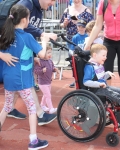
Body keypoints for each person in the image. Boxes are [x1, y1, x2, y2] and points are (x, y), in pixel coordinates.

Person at [0, 4, 50, 149]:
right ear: (24, 20)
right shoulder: (27, 36)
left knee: (7, 106)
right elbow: (43, 55)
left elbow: (18, 52)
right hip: (22, 79)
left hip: (8, 77)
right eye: (28, 18)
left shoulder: (7, 33)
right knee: (32, 108)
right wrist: (45, 40)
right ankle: (33, 141)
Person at [4, 0, 57, 124]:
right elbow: (19, 29)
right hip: (18, 60)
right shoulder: (27, 4)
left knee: (23, 84)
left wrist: (32, 56)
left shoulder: (38, 9)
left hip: (20, 59)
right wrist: (43, 35)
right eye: (52, 0)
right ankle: (38, 117)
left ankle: (12, 109)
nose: (53, 4)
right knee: (27, 84)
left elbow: (25, 36)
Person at [84, 0, 120, 90]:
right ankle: (108, 95)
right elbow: (98, 25)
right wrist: (88, 44)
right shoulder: (103, 4)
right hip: (109, 41)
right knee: (106, 70)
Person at [60, 0, 94, 88]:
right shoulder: (67, 10)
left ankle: (85, 78)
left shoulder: (87, 11)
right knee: (73, 61)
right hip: (71, 39)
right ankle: (76, 79)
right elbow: (61, 24)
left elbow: (92, 25)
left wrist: (79, 22)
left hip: (84, 38)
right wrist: (64, 23)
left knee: (84, 60)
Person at [34, 45, 57, 114]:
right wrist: (42, 70)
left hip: (48, 81)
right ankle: (51, 108)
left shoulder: (50, 61)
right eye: (48, 53)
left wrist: (54, 69)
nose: (50, 54)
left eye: (50, 52)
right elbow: (36, 71)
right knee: (48, 95)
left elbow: (52, 67)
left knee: (45, 95)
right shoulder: (40, 62)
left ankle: (42, 105)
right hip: (42, 83)